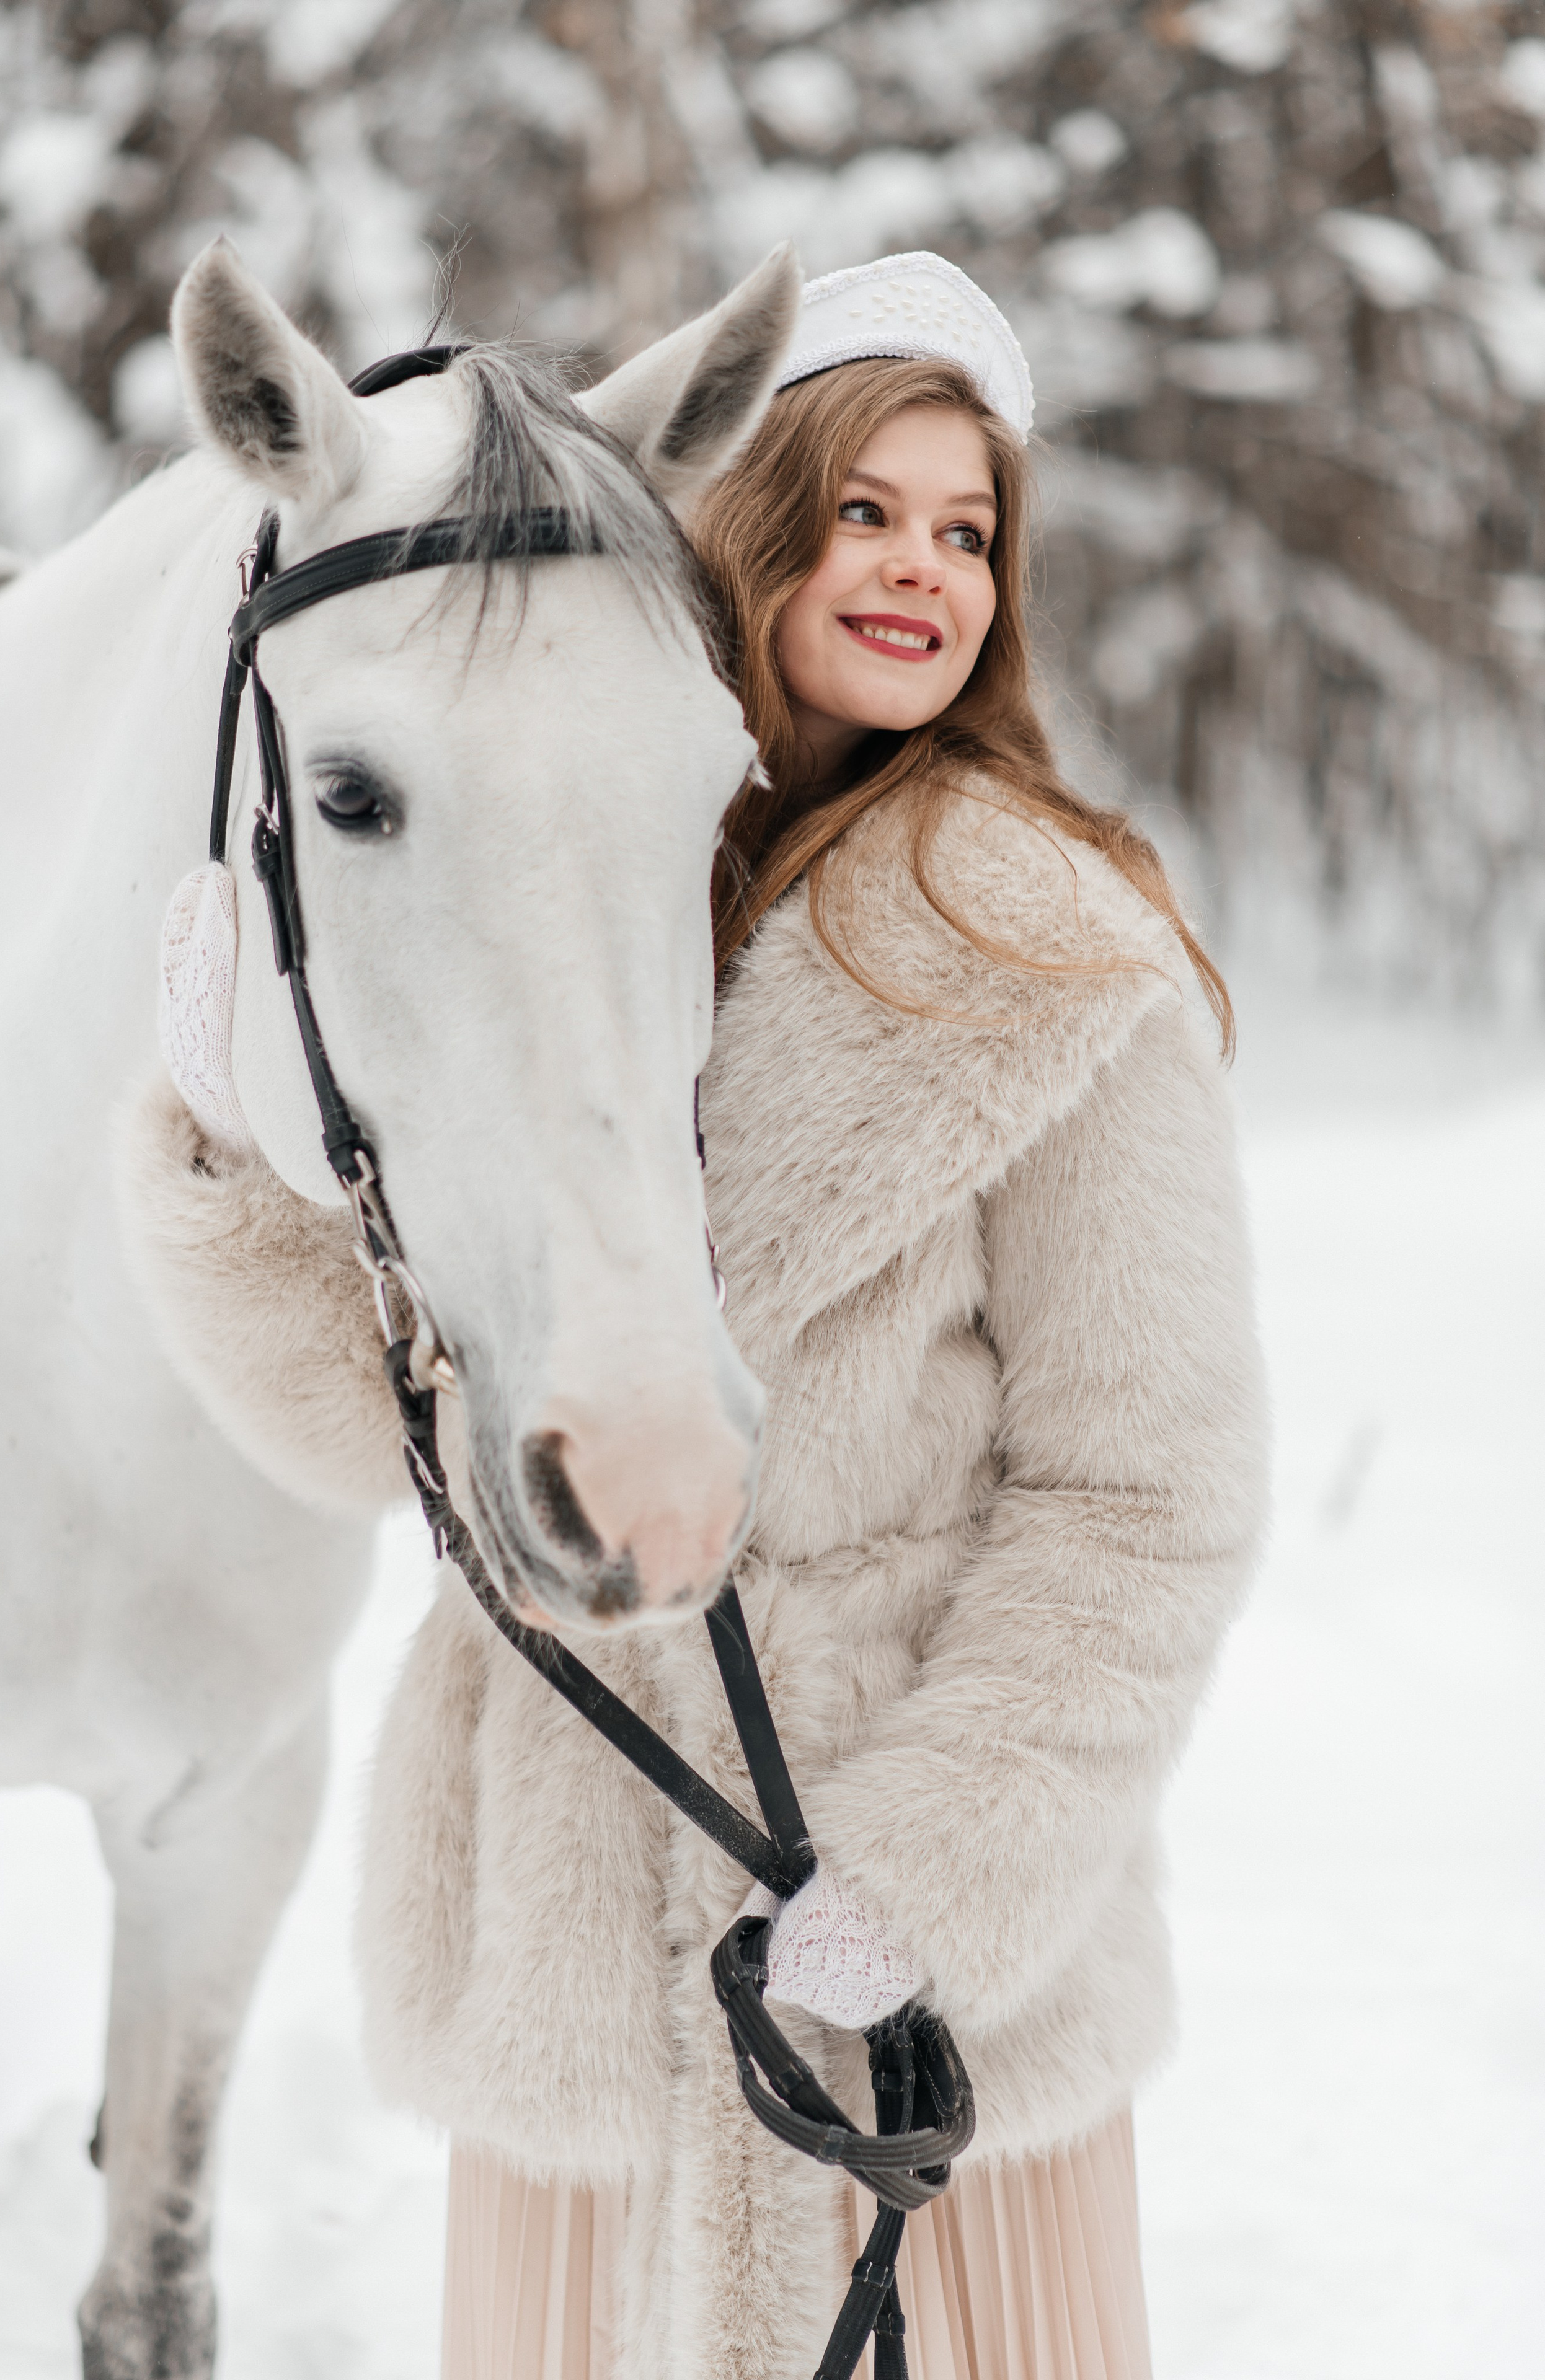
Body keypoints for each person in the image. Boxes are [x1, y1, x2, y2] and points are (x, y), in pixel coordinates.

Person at [361, 253, 1267, 2378]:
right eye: (865, 509)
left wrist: (925, 1887)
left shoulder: (1053, 954)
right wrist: (227, 1150)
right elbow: (387, 1420)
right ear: (749, 518)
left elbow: (1150, 1496)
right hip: (581, 1935)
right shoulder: (565, 920)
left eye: (967, 532)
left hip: (907, 1971)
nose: (922, 573)